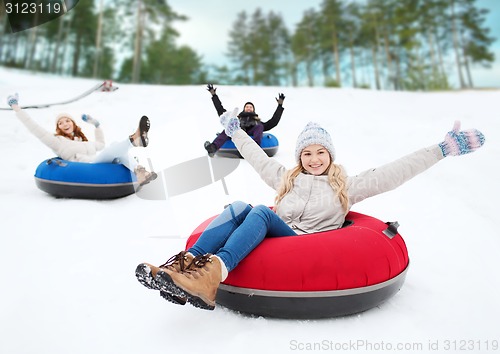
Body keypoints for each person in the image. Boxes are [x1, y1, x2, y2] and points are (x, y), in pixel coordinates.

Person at [136, 108, 485, 310]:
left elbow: (393, 172)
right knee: (240, 205)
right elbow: (256, 157)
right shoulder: (286, 178)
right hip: (272, 237)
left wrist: (441, 150)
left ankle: (215, 272)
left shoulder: (344, 186)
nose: (313, 159)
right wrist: (235, 133)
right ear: (299, 157)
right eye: (306, 153)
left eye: (320, 152)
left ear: (329, 155)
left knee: (259, 211)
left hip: (304, 245)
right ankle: (183, 266)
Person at [7, 93, 157, 187]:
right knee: (114, 147)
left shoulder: (83, 141)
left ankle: (140, 172)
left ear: (73, 123)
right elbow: (34, 128)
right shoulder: (57, 141)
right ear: (58, 127)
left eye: (67, 120)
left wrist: (96, 125)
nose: (64, 124)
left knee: (113, 147)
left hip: (99, 161)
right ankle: (133, 140)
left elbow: (101, 144)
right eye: (60, 122)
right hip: (90, 167)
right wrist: (16, 107)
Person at [203, 84, 285, 157]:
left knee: (260, 127)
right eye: (247, 107)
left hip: (253, 134)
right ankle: (213, 148)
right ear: (244, 109)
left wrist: (280, 106)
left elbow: (273, 121)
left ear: (253, 110)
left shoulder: (257, 122)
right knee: (229, 127)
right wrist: (214, 95)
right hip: (239, 131)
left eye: (250, 107)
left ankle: (254, 149)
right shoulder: (237, 119)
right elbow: (221, 112)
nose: (249, 108)